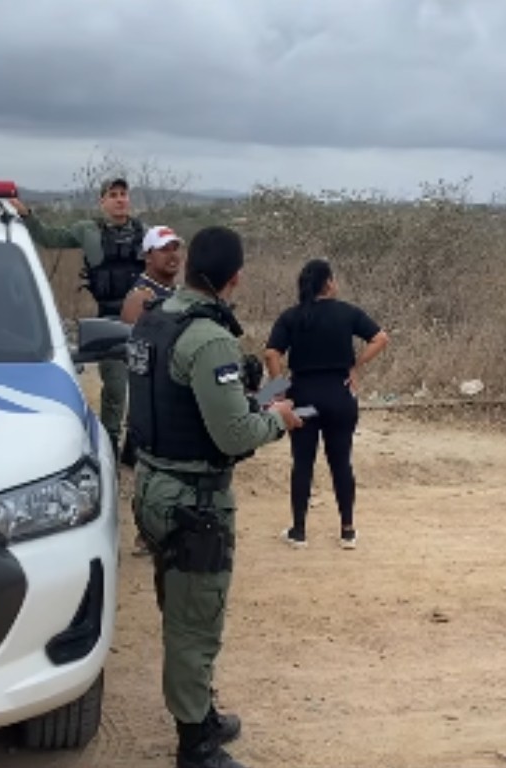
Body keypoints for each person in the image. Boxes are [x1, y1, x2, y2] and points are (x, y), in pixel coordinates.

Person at [126, 225, 303, 768]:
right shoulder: (209, 339)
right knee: (194, 623)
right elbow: (233, 434)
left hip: (153, 486)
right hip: (192, 501)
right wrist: (278, 419)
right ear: (235, 278)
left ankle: (200, 713)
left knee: (181, 609)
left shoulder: (155, 317)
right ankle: (195, 745)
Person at [10, 178, 145, 457]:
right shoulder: (88, 231)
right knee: (115, 387)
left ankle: (136, 444)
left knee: (143, 383)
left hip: (143, 319)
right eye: (113, 195)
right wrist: (26, 215)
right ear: (102, 201)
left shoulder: (144, 232)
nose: (120, 199)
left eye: (124, 194)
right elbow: (50, 238)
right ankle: (109, 442)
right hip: (109, 318)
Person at [264, 258, 389, 550]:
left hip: (304, 400)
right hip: (339, 397)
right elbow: (381, 338)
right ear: (329, 283)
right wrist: (355, 367)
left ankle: (299, 531)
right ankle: (347, 531)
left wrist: (279, 392)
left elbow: (271, 354)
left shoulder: (292, 316)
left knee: (302, 463)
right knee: (341, 461)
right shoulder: (348, 312)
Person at [120, 224, 185, 557]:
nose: (172, 255)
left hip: (175, 394)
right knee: (149, 469)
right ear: (148, 256)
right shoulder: (141, 297)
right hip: (150, 399)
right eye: (164, 249)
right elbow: (134, 353)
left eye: (175, 248)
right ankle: (146, 535)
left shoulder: (178, 294)